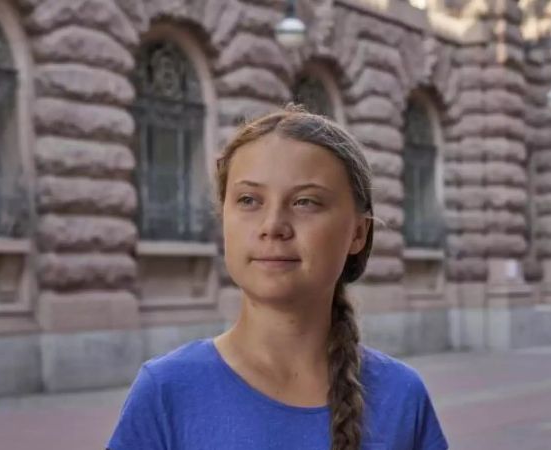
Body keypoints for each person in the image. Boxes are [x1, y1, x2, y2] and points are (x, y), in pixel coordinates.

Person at [106, 106, 448, 450]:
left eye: (305, 202)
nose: (272, 226)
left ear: (358, 233)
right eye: (249, 200)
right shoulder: (168, 392)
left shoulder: (402, 396)